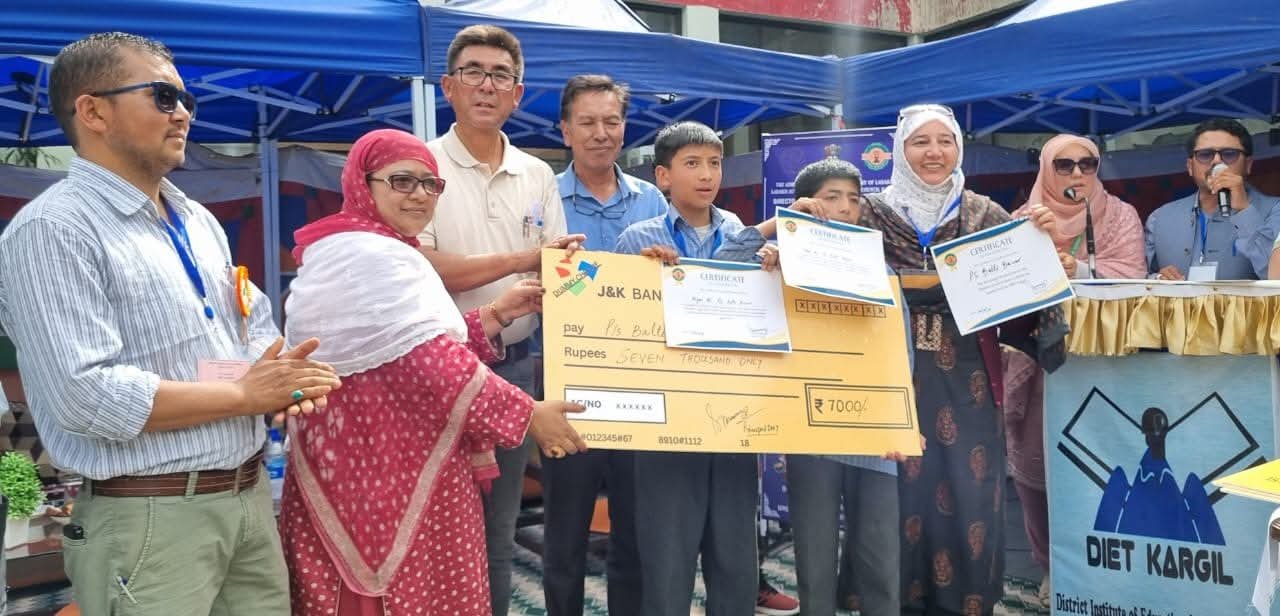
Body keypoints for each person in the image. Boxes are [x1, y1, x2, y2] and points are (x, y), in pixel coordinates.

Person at [0, 32, 341, 615]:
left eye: (186, 99)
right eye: (162, 96)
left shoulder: (195, 218)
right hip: (149, 518)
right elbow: (84, 396)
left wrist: (280, 378)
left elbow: (244, 326)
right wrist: (244, 395)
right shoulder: (53, 230)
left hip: (245, 499)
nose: (182, 112)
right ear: (93, 112)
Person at [279, 128, 587, 615]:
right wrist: (529, 414)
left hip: (384, 466)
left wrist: (494, 315)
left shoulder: (373, 249)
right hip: (379, 480)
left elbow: (401, 348)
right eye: (401, 181)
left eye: (430, 184)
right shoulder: (368, 256)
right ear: (362, 183)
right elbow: (430, 363)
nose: (420, 195)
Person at [856, 103, 1066, 616]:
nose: (934, 153)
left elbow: (1026, 288)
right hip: (893, 373)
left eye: (945, 141)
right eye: (920, 142)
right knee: (898, 493)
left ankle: (966, 602)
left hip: (970, 375)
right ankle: (894, 602)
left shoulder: (984, 215)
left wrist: (1040, 243)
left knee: (971, 491)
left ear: (959, 148)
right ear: (900, 151)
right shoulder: (868, 215)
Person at [417, 25, 583, 616]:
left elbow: (562, 270)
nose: (486, 86)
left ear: (518, 93)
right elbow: (423, 265)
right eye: (473, 72)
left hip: (512, 366)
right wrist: (521, 260)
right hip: (435, 369)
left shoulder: (536, 174)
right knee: (431, 516)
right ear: (448, 86)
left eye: (500, 76)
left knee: (497, 525)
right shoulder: (421, 165)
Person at [715, 158, 906, 616]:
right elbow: (719, 264)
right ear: (805, 203)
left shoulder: (879, 268)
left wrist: (902, 423)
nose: (844, 208)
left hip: (873, 431)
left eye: (853, 199)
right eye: (831, 197)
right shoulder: (778, 260)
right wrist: (781, 224)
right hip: (810, 429)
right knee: (814, 563)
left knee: (881, 562)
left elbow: (900, 351)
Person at [614, 121, 757, 616]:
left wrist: (774, 267)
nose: (706, 175)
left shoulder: (743, 235)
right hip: (666, 422)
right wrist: (642, 280)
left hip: (735, 419)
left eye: (714, 163)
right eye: (692, 164)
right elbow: (615, 325)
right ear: (663, 176)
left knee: (735, 559)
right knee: (667, 561)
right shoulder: (637, 240)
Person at [541, 74, 666, 616]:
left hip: (640, 384)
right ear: (565, 131)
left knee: (634, 531)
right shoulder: (542, 197)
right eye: (587, 122)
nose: (600, 133)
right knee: (565, 532)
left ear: (624, 128)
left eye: (611, 121)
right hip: (566, 384)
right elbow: (534, 280)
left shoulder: (652, 198)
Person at [1004, 133, 1145, 607]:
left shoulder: (1120, 215)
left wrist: (1079, 270)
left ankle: (1099, 568)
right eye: (1064, 165)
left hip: (1103, 362)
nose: (1077, 173)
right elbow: (1001, 286)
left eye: (1088, 164)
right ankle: (1050, 566)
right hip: (1040, 365)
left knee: (1101, 463)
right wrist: (1040, 249)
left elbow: (1134, 276)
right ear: (1046, 169)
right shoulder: (1022, 220)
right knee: (1036, 467)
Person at [1146, 118, 1280, 281]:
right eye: (1205, 155)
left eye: (1229, 154)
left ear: (1248, 165)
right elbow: (1139, 278)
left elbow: (1275, 277)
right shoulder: (1159, 217)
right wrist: (1158, 278)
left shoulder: (1275, 210)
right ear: (1190, 166)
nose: (1217, 161)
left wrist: (1244, 211)